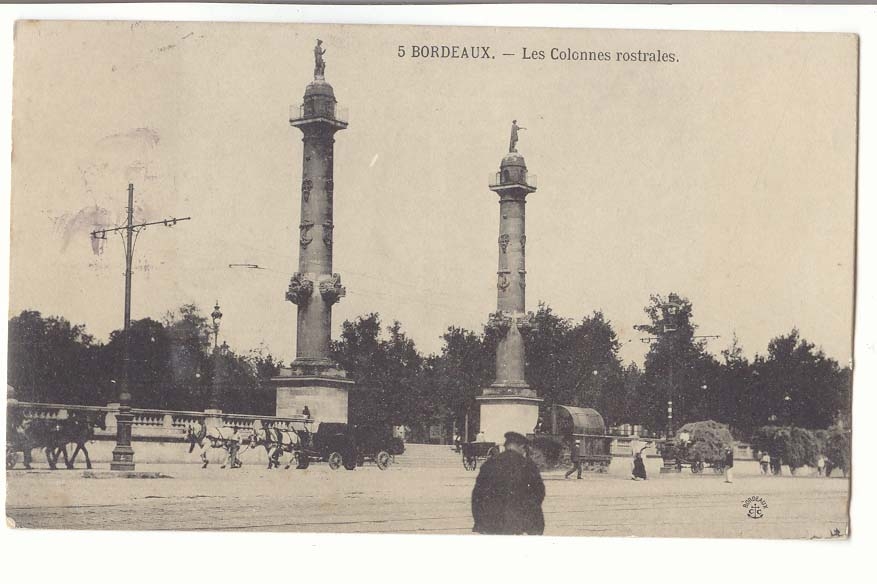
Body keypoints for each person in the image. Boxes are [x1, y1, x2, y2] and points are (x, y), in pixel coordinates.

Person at [471, 431, 545, 535]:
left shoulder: (490, 463)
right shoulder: (527, 464)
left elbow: (477, 495)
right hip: (519, 522)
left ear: (506, 446)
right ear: (521, 447)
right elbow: (539, 492)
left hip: (492, 522)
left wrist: (480, 521)